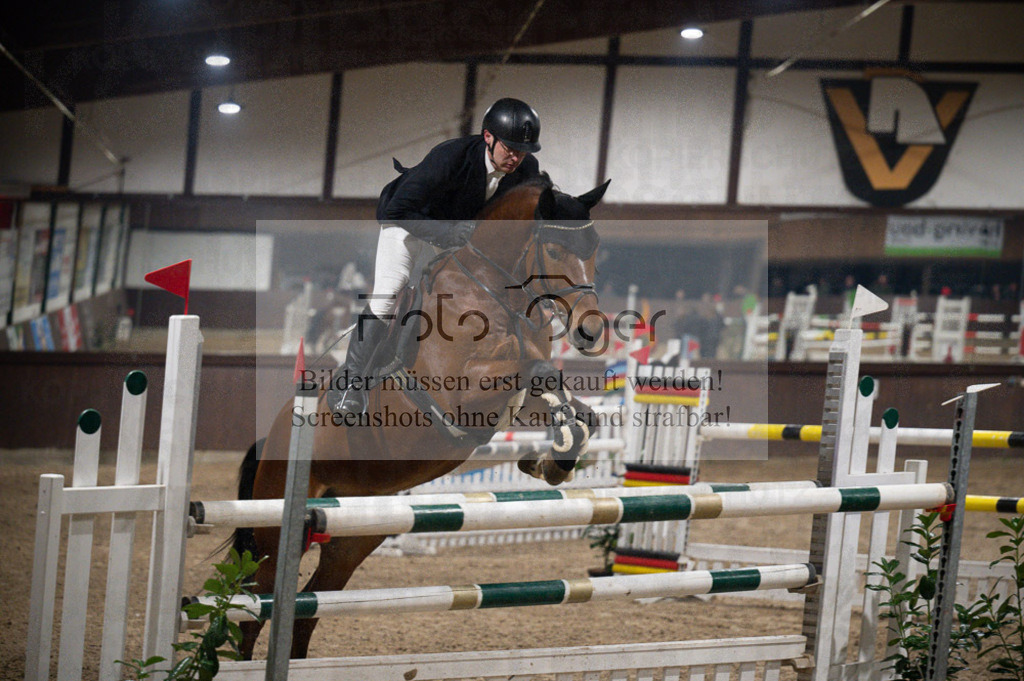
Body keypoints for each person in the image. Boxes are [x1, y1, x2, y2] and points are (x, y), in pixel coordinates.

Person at [327, 97, 545, 417]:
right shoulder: (450, 157)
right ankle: (351, 381)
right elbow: (397, 210)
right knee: (390, 291)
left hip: (459, 236)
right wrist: (447, 234)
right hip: (408, 223)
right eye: (509, 148)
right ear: (488, 137)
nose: (516, 157)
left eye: (522, 150)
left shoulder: (526, 168)